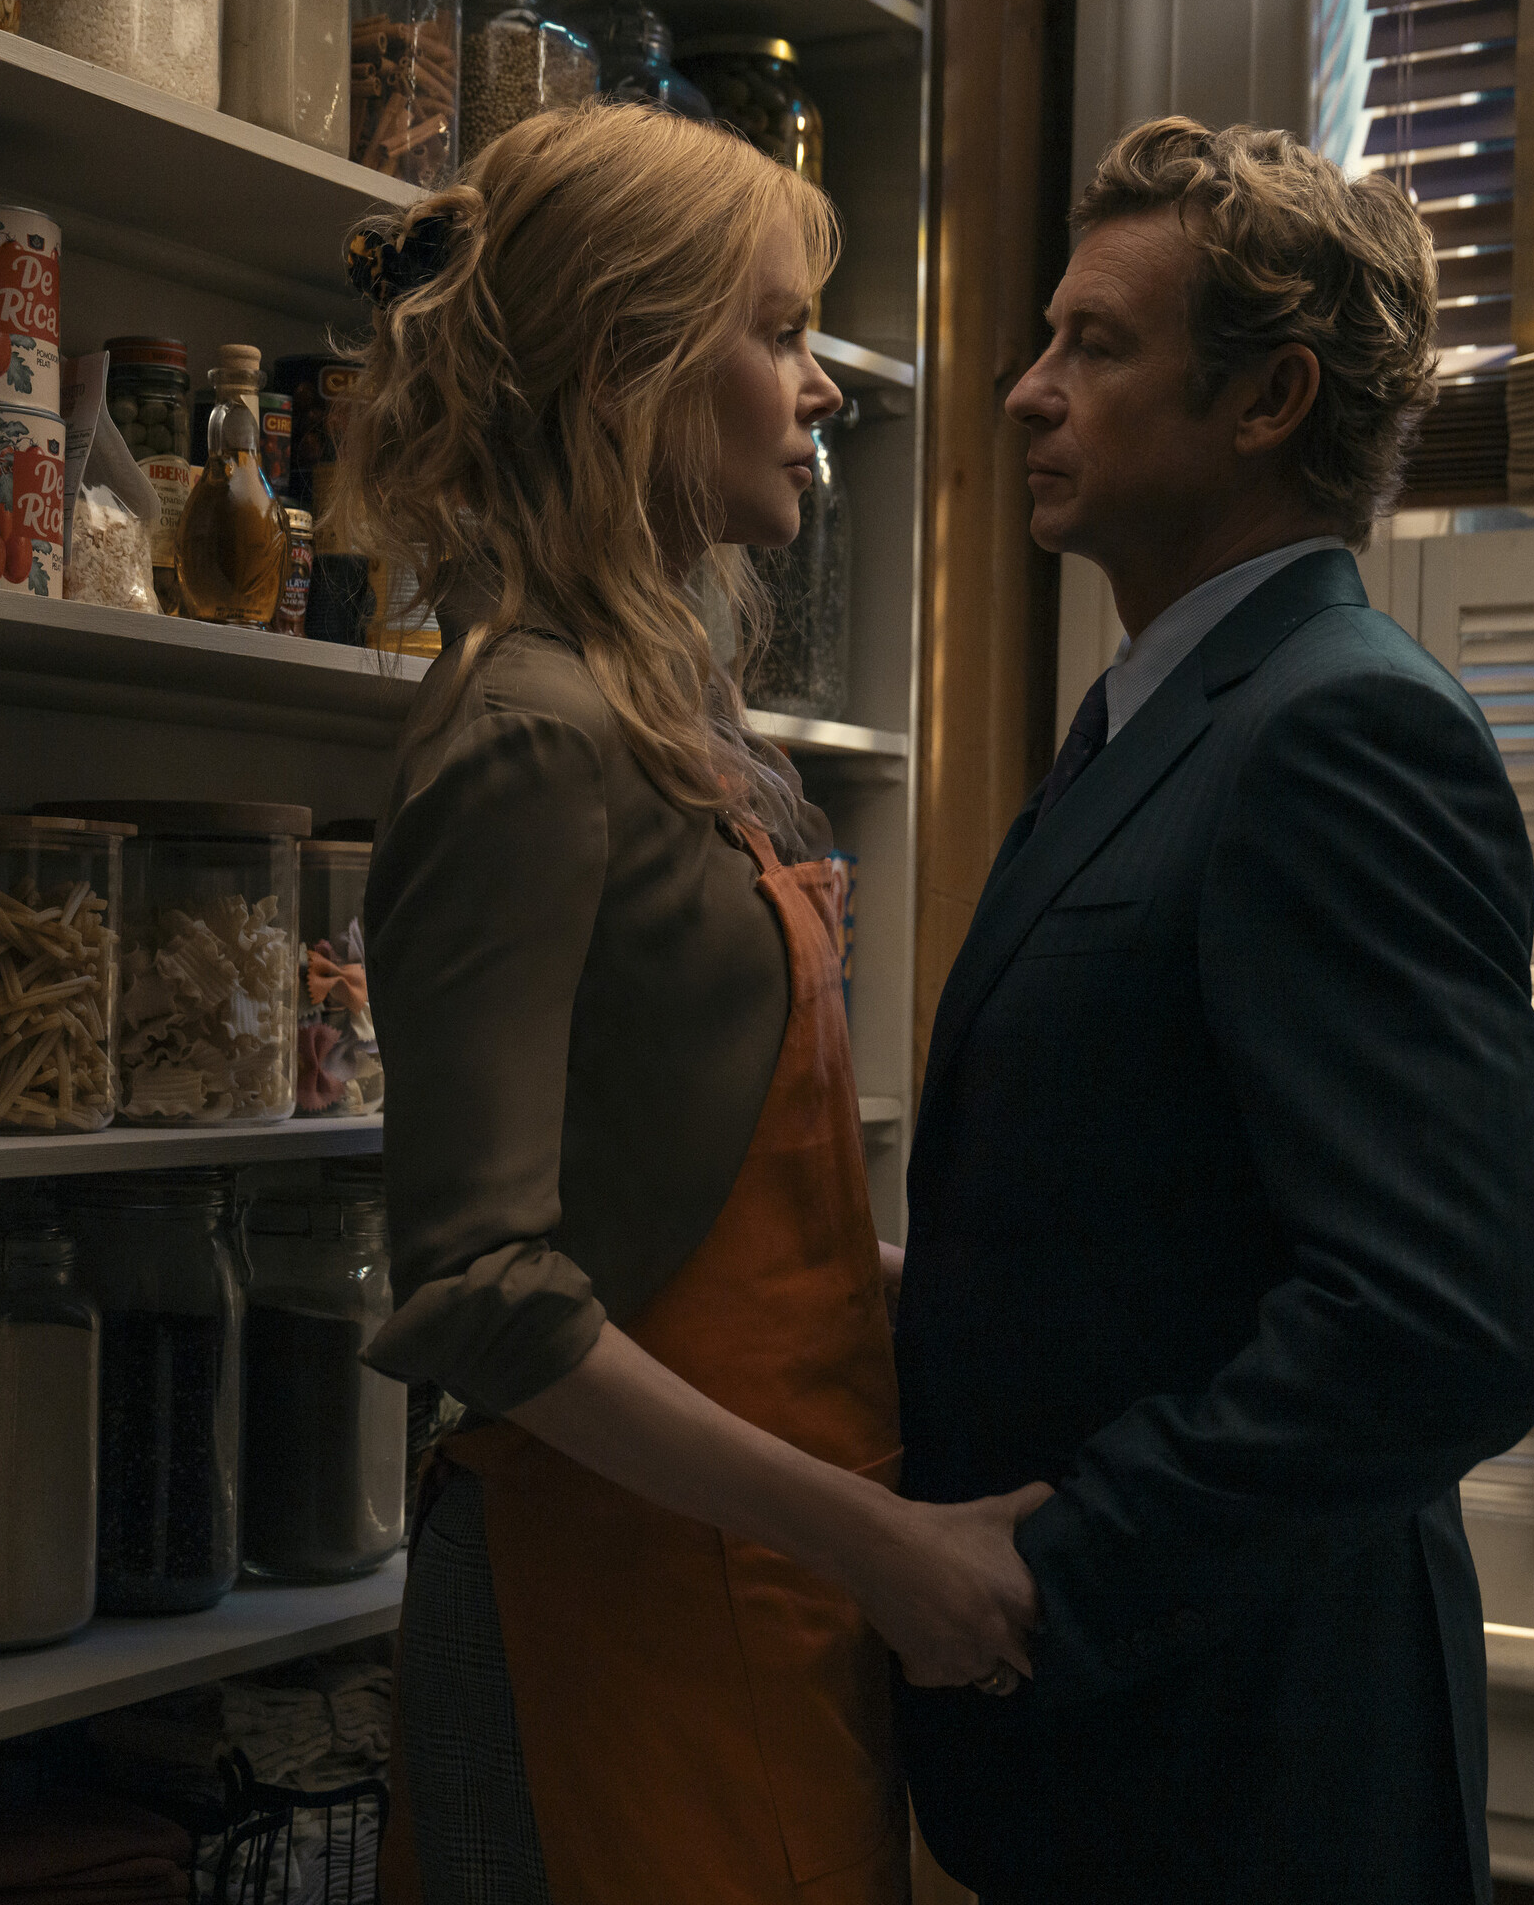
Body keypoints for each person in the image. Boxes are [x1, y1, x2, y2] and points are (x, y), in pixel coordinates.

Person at [340, 102, 1047, 1905]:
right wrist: (879, 1541)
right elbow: (485, 1296)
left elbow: (706, 1206)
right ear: (626, 366)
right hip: (608, 1611)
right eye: (782, 331)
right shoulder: (529, 735)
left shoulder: (676, 730)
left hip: (756, 1593)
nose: (824, 388)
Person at [896, 116, 1534, 1904]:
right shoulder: (1156, 717)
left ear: (1267, 400)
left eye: (1093, 346)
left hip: (1253, 1782)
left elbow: (1442, 1324)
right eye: (1044, 341)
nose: (1027, 393)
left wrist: (1055, 1574)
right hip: (1116, 1776)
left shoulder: (1344, 729)